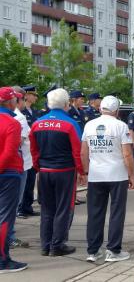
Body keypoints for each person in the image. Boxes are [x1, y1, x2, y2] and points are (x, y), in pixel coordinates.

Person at [30, 88, 86, 256]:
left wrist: (38, 168)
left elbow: (34, 150)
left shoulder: (36, 123)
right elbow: (78, 152)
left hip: (45, 170)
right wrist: (82, 172)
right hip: (65, 171)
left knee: (47, 209)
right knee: (63, 208)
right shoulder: (70, 124)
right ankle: (58, 245)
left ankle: (45, 245)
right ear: (66, 104)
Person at [81, 95, 134, 263]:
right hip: (117, 174)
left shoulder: (89, 125)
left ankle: (93, 251)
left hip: (96, 175)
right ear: (117, 111)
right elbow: (127, 153)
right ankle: (113, 250)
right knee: (116, 212)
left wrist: (86, 171)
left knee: (95, 213)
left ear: (100, 109)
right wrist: (132, 175)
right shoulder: (120, 125)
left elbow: (83, 152)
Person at [0, 87, 27, 274]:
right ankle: (3, 260)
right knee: (4, 219)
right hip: (8, 174)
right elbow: (9, 152)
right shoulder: (12, 123)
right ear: (11, 102)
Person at [8, 87, 31, 249]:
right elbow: (17, 142)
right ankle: (9, 237)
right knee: (12, 204)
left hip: (15, 164)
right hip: (16, 165)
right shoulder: (19, 118)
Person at [18, 85, 40, 219]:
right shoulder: (20, 113)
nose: (35, 97)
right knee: (24, 181)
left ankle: (27, 206)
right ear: (26, 95)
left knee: (31, 179)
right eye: (33, 94)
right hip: (24, 149)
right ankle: (21, 208)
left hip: (33, 148)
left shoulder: (34, 111)